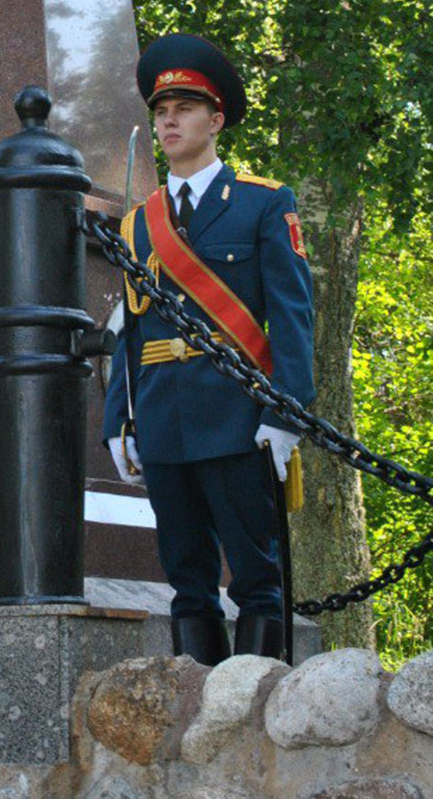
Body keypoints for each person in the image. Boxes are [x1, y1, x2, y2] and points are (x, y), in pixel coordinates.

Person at [102, 34, 314, 666]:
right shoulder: (139, 223)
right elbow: (129, 326)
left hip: (240, 418)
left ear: (215, 119)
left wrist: (286, 412)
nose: (168, 119)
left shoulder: (263, 203)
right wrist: (119, 419)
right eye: (161, 110)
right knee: (185, 579)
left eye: (185, 108)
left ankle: (255, 710)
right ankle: (195, 710)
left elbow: (292, 317)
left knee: (255, 576)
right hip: (164, 420)